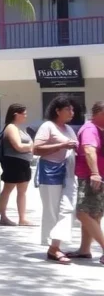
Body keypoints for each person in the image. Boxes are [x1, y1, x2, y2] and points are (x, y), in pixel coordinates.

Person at [33, 95, 79, 264]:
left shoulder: (68, 129)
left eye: (72, 109)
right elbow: (36, 149)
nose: (71, 112)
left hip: (68, 172)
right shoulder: (48, 126)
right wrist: (62, 145)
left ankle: (56, 245)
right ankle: (54, 248)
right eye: (68, 109)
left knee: (68, 208)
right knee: (52, 211)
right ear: (57, 111)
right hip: (50, 172)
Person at [70, 101, 104, 263]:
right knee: (90, 213)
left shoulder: (97, 129)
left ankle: (87, 249)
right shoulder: (91, 129)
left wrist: (96, 174)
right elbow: (89, 150)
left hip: (95, 177)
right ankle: (84, 249)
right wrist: (96, 173)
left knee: (86, 213)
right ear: (99, 114)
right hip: (93, 176)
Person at [0, 104, 35, 227]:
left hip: (23, 162)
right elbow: (18, 146)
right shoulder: (11, 128)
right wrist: (31, 146)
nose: (26, 116)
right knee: (8, 189)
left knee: (22, 191)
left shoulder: (19, 128)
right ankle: (3, 216)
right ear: (16, 114)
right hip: (13, 162)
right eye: (23, 113)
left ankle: (22, 218)